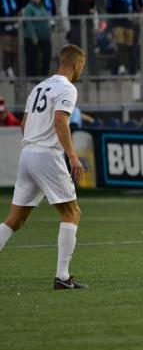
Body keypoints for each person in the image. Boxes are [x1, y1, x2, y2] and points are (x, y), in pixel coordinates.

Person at [0, 44, 88, 289]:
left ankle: (63, 277)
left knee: (15, 219)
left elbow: (24, 124)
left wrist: (33, 144)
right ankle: (62, 277)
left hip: (27, 153)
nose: (82, 70)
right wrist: (72, 156)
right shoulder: (68, 89)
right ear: (76, 64)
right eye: (83, 66)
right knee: (71, 213)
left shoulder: (39, 87)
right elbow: (61, 121)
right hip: (46, 155)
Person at [107, 0, 143, 75]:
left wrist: (135, 14)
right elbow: (109, 8)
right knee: (120, 44)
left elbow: (136, 6)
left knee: (128, 46)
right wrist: (117, 15)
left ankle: (125, 66)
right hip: (118, 23)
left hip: (129, 23)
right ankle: (119, 67)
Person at [68, 0, 97, 76]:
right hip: (77, 26)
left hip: (88, 26)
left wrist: (92, 14)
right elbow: (70, 11)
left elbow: (93, 8)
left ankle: (94, 74)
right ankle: (75, 74)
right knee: (76, 51)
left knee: (90, 50)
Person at [23, 0, 53, 77]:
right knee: (33, 57)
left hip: (45, 37)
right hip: (33, 37)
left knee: (47, 55)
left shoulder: (42, 6)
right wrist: (33, 36)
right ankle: (33, 77)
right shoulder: (29, 8)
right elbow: (28, 23)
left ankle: (44, 75)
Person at [0, 0, 18, 79]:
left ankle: (5, 69)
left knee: (14, 50)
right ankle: (8, 69)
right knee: (6, 50)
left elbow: (14, 11)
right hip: (4, 29)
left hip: (13, 29)